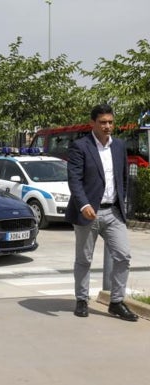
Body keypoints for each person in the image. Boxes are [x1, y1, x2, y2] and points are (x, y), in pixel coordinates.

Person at [65, 104, 138, 322]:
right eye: (103, 122)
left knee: (123, 255)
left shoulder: (119, 146)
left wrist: (121, 203)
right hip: (88, 213)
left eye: (110, 122)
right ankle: (81, 299)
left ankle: (116, 302)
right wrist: (84, 204)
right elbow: (74, 179)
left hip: (113, 211)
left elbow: (122, 177)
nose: (107, 126)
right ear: (93, 124)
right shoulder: (81, 146)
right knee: (84, 259)